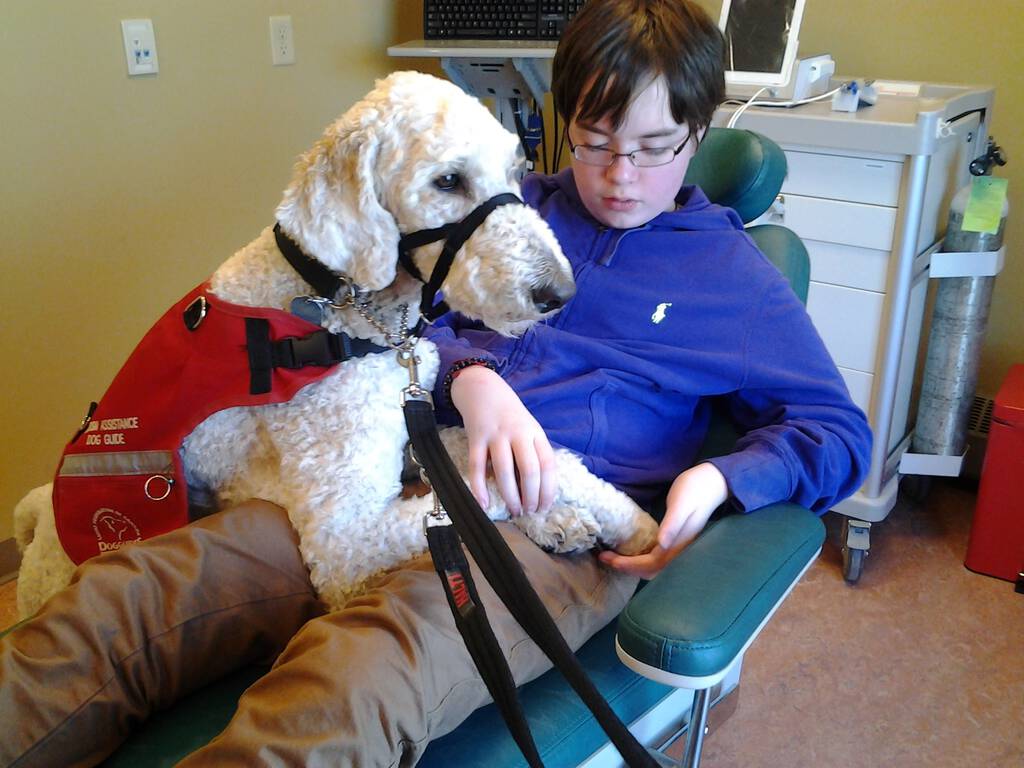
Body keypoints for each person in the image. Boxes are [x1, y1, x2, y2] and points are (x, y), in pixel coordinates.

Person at [0, 1, 871, 766]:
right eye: (597, 142)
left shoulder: (735, 277)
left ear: (700, 132)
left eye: (653, 149)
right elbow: (399, 317)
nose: (618, 177)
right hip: (389, 470)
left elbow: (838, 432)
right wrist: (476, 382)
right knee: (134, 600)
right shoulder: (509, 201)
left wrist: (720, 477)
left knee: (354, 679)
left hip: (547, 530)